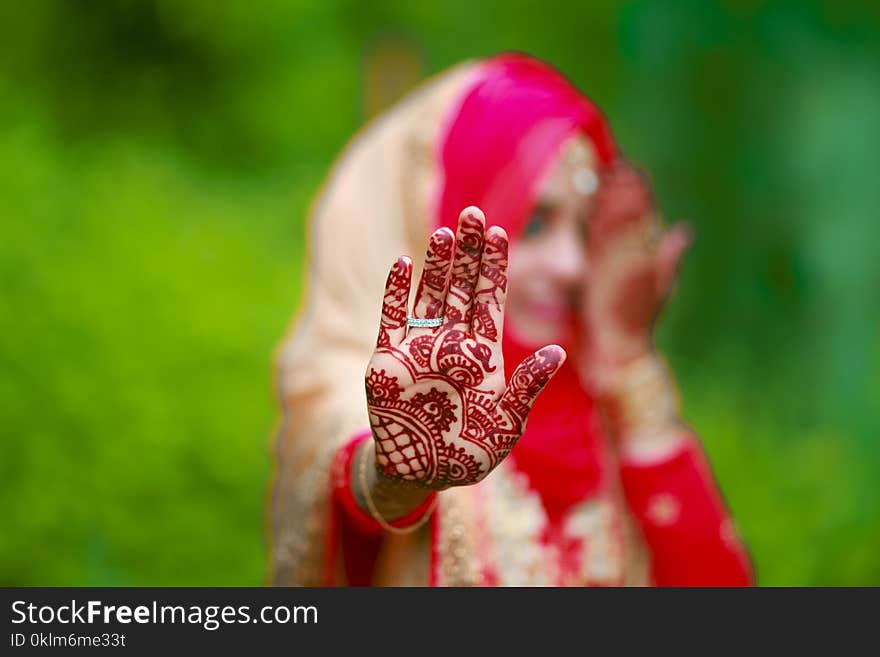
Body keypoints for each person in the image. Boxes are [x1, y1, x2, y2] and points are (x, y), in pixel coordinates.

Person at [268, 53, 754, 586]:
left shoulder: (591, 396)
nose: (572, 266)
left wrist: (626, 354)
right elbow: (351, 460)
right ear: (445, 221)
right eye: (535, 223)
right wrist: (398, 474)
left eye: (584, 228)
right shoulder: (375, 386)